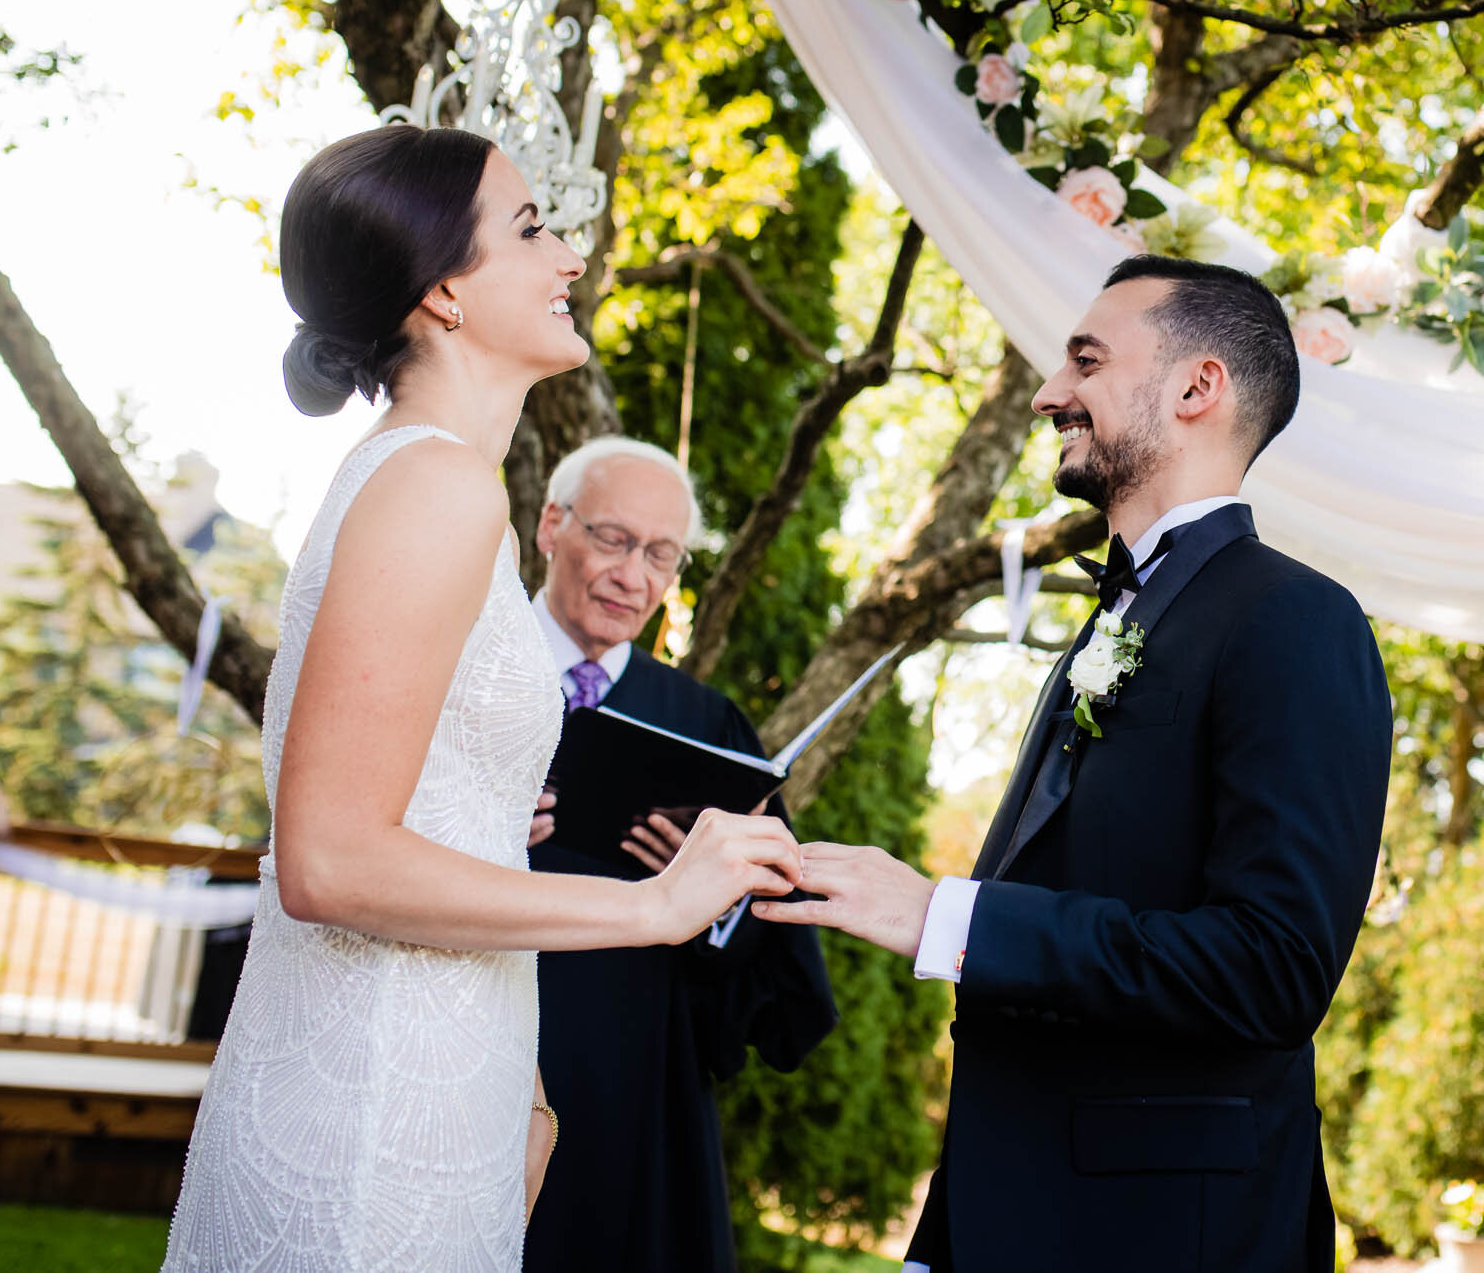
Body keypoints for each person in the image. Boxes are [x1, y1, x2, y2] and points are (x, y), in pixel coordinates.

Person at [163, 126, 802, 1273]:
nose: (568, 254)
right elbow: (331, 862)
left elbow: (438, 817)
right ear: (446, 290)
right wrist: (656, 907)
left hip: (444, 1085)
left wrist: (529, 1083)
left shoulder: (435, 480)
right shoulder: (435, 485)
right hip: (371, 1112)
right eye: (531, 227)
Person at [756, 254, 1394, 1272]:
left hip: (1163, 1235)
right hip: (1002, 1213)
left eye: (1085, 361)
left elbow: (1271, 970)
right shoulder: (1105, 624)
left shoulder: (1296, 619)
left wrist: (946, 917)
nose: (1051, 391)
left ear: (1196, 388)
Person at [524, 435, 837, 1272]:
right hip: (475, 1041)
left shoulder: (708, 726)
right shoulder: (460, 670)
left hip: (636, 1077)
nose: (636, 576)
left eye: (662, 554)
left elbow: (777, 955)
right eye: (614, 539)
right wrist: (471, 823)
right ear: (552, 524)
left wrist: (719, 898)